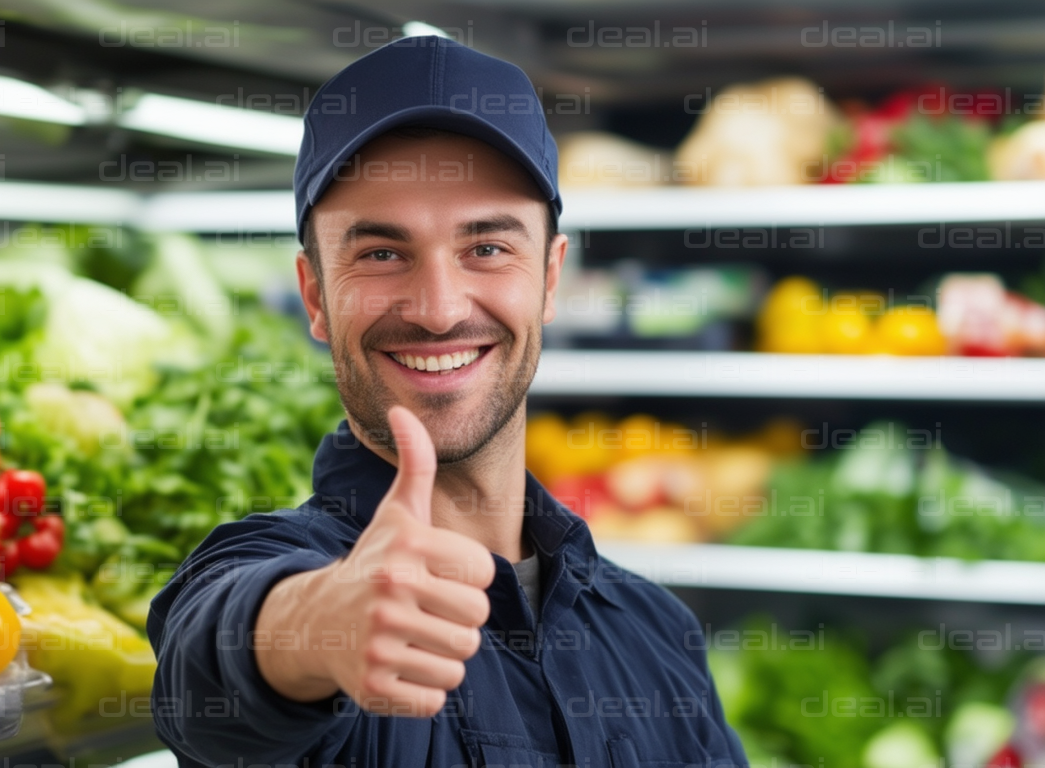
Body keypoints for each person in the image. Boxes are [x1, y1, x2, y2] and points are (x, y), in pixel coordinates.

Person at [148, 35, 748, 768]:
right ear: (314, 296)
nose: (437, 308)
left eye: (487, 248)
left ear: (551, 278)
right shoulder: (284, 571)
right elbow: (207, 664)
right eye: (381, 253)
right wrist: (319, 625)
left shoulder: (658, 633)